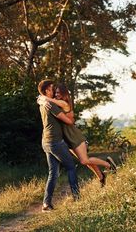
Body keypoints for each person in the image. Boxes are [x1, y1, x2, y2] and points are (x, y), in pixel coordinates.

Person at [38, 83, 117, 187]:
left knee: (84, 160)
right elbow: (49, 102)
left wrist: (41, 99)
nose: (56, 94)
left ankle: (109, 164)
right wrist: (41, 100)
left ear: (64, 94)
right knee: (85, 160)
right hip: (67, 139)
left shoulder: (64, 103)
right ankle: (101, 177)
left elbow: (51, 101)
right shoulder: (54, 103)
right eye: (55, 92)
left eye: (58, 93)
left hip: (74, 136)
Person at [37, 79, 80, 212]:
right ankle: (77, 198)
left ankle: (46, 204)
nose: (53, 91)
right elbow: (68, 121)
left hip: (46, 141)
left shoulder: (43, 104)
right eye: (51, 89)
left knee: (53, 173)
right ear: (46, 91)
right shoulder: (51, 105)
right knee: (71, 167)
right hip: (55, 142)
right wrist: (71, 119)